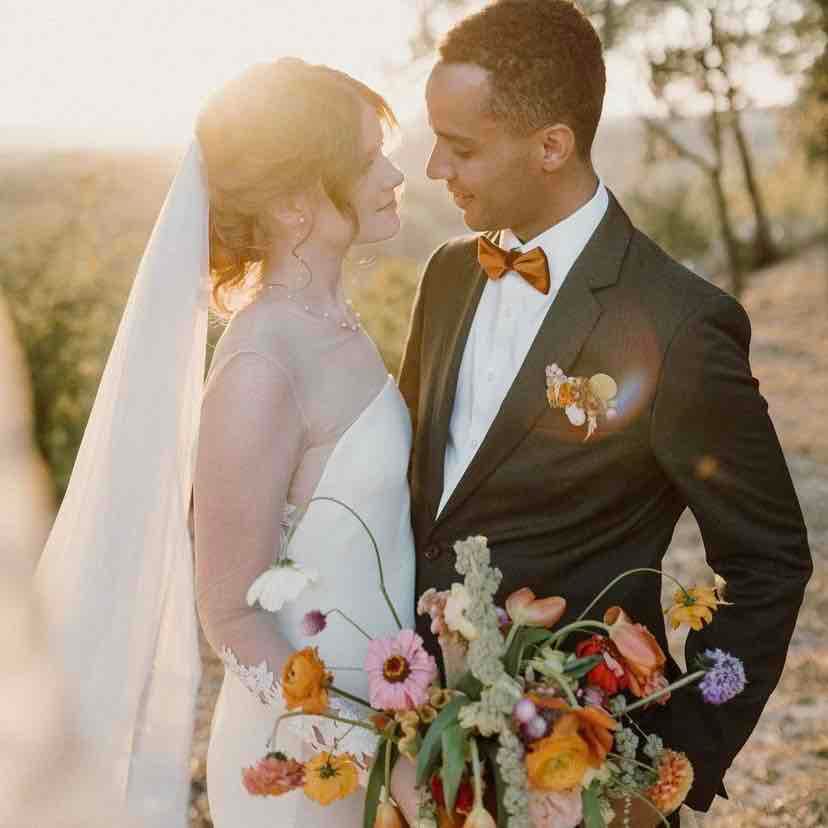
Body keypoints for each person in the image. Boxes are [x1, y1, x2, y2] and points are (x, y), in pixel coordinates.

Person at [394, 1, 812, 826]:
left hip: (585, 768)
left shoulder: (680, 324)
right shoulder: (447, 277)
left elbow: (768, 561)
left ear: (552, 145)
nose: (435, 165)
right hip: (419, 750)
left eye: (462, 145)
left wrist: (675, 758)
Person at [34, 58, 412, 828]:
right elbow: (230, 616)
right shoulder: (261, 362)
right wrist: (373, 756)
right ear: (294, 205)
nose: (396, 172)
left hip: (388, 731)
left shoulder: (333, 325)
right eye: (369, 160)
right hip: (312, 773)